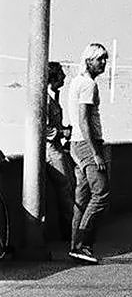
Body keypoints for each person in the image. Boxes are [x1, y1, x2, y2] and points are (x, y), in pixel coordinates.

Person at [67, 42, 111, 264]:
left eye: (105, 59)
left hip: (76, 144)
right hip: (87, 144)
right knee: (101, 193)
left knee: (82, 197)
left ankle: (75, 246)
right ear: (88, 60)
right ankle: (83, 244)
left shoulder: (76, 82)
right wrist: (96, 153)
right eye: (100, 58)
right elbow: (84, 121)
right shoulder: (88, 85)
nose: (103, 63)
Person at [45, 61, 75, 242]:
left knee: (68, 187)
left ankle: (70, 229)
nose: (64, 77)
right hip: (51, 151)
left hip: (55, 148)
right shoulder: (45, 100)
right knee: (65, 188)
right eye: (61, 74)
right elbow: (45, 129)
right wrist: (63, 132)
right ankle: (71, 232)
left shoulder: (52, 98)